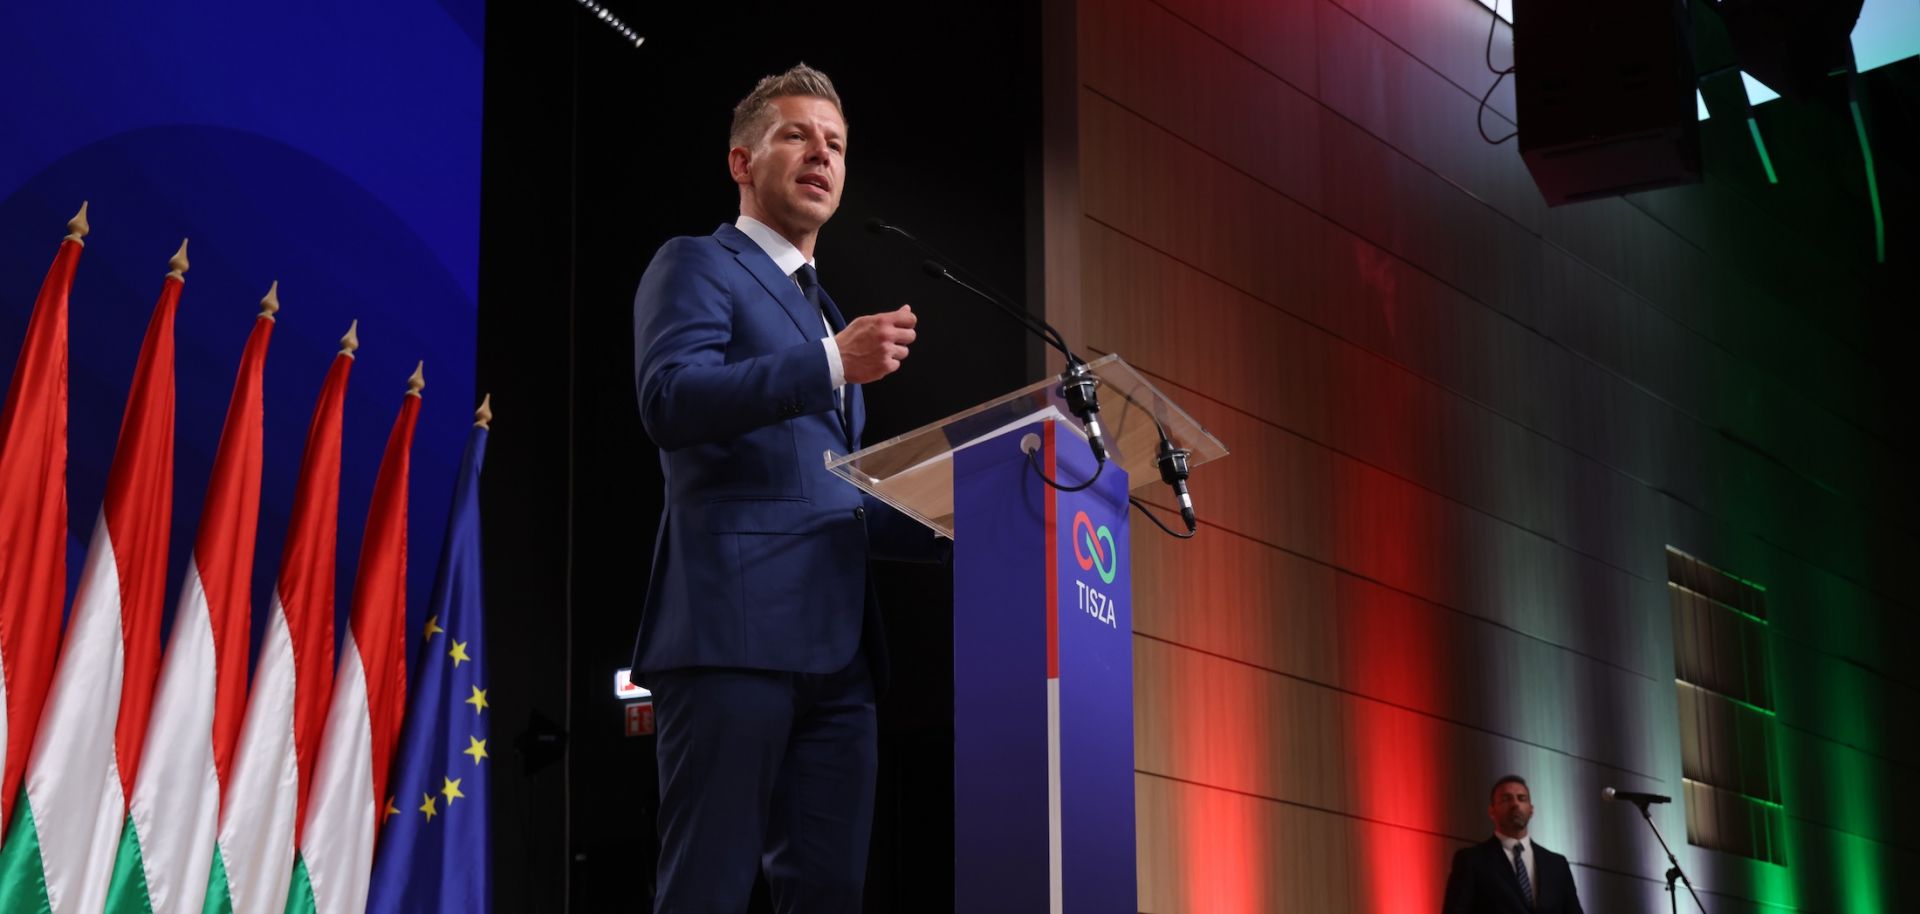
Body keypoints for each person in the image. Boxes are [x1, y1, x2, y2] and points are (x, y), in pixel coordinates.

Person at [630, 64, 939, 913]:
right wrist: (832, 361)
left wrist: (962, 520)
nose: (821, 154)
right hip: (731, 635)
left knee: (829, 894)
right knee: (708, 890)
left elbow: (833, 493)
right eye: (796, 135)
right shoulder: (698, 264)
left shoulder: (826, 311)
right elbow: (669, 400)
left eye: (835, 143)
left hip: (840, 656)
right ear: (742, 161)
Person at [1442, 775, 1586, 913]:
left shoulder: (1557, 864)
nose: (1515, 804)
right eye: (1506, 799)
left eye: (1522, 798)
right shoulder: (1471, 860)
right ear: (1491, 811)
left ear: (1531, 810)